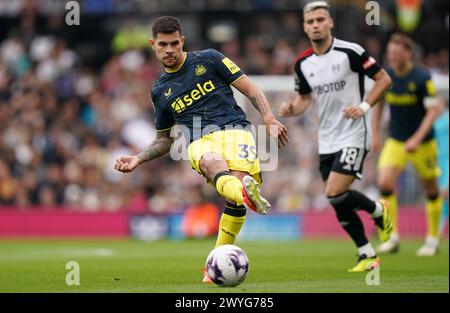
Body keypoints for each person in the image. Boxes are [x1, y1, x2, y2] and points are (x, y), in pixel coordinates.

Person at [114, 16, 288, 282]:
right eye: (163, 44)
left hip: (236, 131)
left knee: (233, 197)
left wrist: (267, 116)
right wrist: (138, 158)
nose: (169, 50)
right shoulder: (160, 91)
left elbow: (250, 87)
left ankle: (219, 254)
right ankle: (246, 195)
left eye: (174, 43)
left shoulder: (209, 59)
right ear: (153, 45)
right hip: (201, 140)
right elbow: (165, 140)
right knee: (210, 161)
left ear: (182, 41)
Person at [279, 1, 393, 272]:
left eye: (320, 20)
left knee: (333, 191)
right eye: (311, 22)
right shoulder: (303, 63)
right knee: (336, 199)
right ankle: (366, 254)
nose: (316, 25)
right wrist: (292, 109)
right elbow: (304, 99)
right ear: (305, 27)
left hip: (354, 132)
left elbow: (384, 79)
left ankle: (378, 210)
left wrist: (364, 107)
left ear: (330, 22)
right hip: (326, 138)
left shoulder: (350, 52)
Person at [372, 33, 443, 256]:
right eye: (390, 53)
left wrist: (417, 138)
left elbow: (433, 111)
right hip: (396, 141)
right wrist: (375, 134)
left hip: (423, 143)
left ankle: (432, 239)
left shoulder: (422, 77)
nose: (392, 57)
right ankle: (392, 236)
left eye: (396, 53)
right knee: (384, 183)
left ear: (408, 53)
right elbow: (379, 104)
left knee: (430, 189)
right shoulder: (386, 77)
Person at [434, 100, 449, 237]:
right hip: (439, 162)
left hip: (448, 161)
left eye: (438, 104)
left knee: (445, 192)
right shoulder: (433, 121)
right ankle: (437, 230)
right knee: (442, 197)